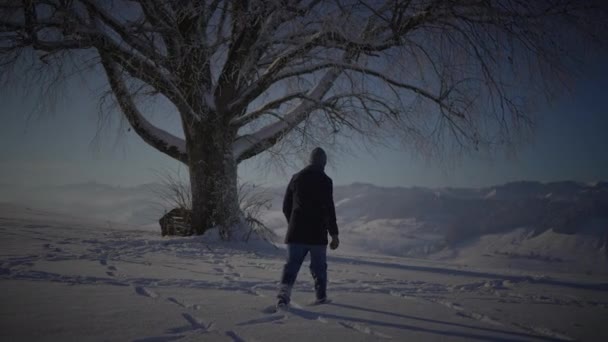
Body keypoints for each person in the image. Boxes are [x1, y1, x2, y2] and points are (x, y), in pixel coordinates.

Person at [277, 147, 339, 308]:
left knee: (291, 265)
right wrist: (334, 234)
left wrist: (293, 222)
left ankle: (283, 298)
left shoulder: (296, 178)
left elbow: (286, 206)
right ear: (323, 163)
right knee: (319, 268)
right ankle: (321, 297)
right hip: (318, 234)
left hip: (296, 232)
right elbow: (329, 209)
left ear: (310, 161)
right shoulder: (326, 181)